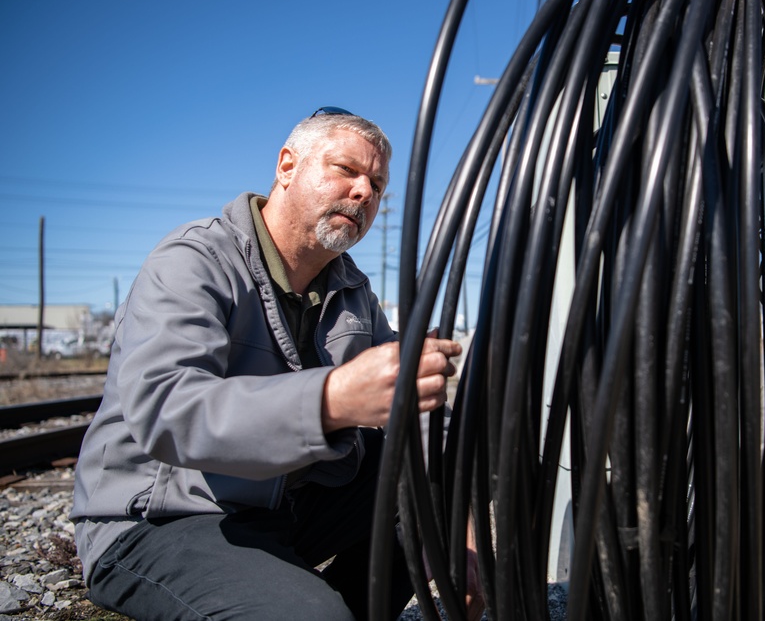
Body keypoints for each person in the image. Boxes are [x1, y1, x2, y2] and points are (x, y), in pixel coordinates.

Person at [70, 107, 482, 620]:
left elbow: (420, 405)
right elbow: (165, 411)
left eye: (376, 184)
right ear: (287, 165)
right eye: (347, 171)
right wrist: (330, 399)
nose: (364, 193)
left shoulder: (352, 290)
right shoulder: (194, 260)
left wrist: (457, 532)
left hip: (281, 505)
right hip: (164, 514)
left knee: (416, 471)